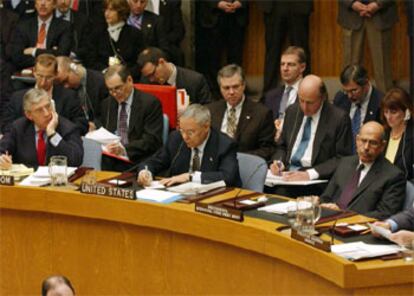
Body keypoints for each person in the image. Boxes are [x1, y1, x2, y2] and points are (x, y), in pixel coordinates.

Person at [270, 75, 352, 182]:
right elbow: (282, 146)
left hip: (316, 178)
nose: (304, 107)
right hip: (287, 172)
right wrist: (279, 162)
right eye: (301, 100)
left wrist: (310, 174)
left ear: (322, 98)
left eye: (309, 102)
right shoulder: (292, 111)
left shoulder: (338, 118)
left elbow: (342, 158)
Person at [137, 104, 241, 187]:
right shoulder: (176, 139)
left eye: (190, 132)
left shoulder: (225, 144)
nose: (184, 137)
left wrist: (190, 177)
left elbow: (228, 177)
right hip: (179, 197)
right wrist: (145, 172)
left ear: (206, 127)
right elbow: (154, 162)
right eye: (182, 131)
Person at [321, 121, 406, 220]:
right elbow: (326, 197)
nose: (366, 147)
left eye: (373, 143)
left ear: (382, 146)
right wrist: (321, 205)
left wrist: (343, 214)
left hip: (358, 229)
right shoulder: (345, 163)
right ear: (357, 140)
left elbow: (384, 214)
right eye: (363, 141)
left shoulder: (393, 176)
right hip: (328, 221)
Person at [2, 54, 88, 135]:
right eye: (40, 76)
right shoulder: (18, 98)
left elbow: (82, 125)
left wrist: (55, 131)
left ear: (55, 75)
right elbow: (6, 126)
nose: (43, 82)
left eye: (48, 77)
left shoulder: (69, 97)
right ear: (34, 72)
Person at [0, 88, 83, 169]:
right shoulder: (18, 128)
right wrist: (2, 159)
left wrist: (53, 135)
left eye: (48, 106)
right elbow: (2, 149)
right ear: (29, 115)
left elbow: (76, 160)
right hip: (26, 180)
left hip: (57, 180)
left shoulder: (67, 128)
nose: (46, 113)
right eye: (39, 110)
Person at [101, 64, 163, 171]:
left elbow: (152, 140)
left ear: (129, 80)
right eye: (110, 90)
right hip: (112, 161)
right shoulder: (107, 104)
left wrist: (124, 148)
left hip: (138, 161)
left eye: (118, 88)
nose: (114, 94)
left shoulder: (150, 103)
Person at [208, 64, 275, 161]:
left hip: (244, 166)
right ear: (220, 89)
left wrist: (237, 157)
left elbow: (268, 149)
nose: (231, 92)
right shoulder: (211, 110)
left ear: (243, 85)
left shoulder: (261, 113)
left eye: (235, 87)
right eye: (226, 88)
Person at [337, 0, 398, 93]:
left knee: (383, 69)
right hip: (351, 14)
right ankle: (348, 103)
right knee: (350, 67)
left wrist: (379, 4)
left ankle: (387, 104)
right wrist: (351, 3)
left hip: (381, 13)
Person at [257, 0, 313, 92]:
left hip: (298, 5)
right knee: (272, 52)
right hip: (274, 5)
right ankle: (268, 96)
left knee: (301, 51)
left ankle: (307, 91)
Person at [195, 0, 248, 95]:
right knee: (212, 58)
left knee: (236, 56)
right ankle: (214, 91)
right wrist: (217, 3)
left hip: (237, 16)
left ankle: (236, 88)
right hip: (212, 16)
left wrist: (241, 2)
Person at [90, 0, 145, 80]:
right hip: (102, 79)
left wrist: (124, 74)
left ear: (121, 12)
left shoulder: (135, 34)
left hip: (129, 79)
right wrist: (106, 71)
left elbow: (139, 62)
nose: (107, 13)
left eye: (111, 10)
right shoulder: (97, 33)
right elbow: (91, 59)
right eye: (106, 9)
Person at [9, 0, 72, 70]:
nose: (43, 3)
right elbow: (16, 56)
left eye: (47, 0)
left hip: (53, 74)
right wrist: (51, 53)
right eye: (39, 0)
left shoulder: (64, 26)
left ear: (54, 5)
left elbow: (63, 54)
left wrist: (34, 51)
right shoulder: (23, 26)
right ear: (35, 4)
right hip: (26, 71)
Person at [333, 64, 383, 152]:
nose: (349, 96)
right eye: (346, 91)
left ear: (366, 83)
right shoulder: (340, 99)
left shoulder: (380, 102)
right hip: (342, 157)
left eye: (354, 90)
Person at [138, 47, 212, 105]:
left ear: (161, 62)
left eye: (153, 73)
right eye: (148, 76)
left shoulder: (195, 80)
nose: (151, 79)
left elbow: (207, 111)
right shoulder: (145, 82)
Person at [262, 46, 307, 141]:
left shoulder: (310, 93)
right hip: (272, 145)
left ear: (302, 67)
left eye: (290, 64)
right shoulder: (271, 96)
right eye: (282, 64)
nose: (285, 68)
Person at [56, 56, 109, 131]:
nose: (66, 86)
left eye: (66, 80)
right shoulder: (67, 92)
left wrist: (96, 124)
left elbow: (108, 112)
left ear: (74, 69)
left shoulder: (100, 82)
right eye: (62, 84)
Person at [380, 88, 414, 180]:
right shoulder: (382, 133)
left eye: (393, 112)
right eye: (386, 112)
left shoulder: (411, 136)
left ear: (407, 112)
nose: (388, 117)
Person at [54, 0, 92, 65]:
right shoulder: (47, 16)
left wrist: (72, 54)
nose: (63, 2)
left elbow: (87, 46)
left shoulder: (83, 20)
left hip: (74, 62)